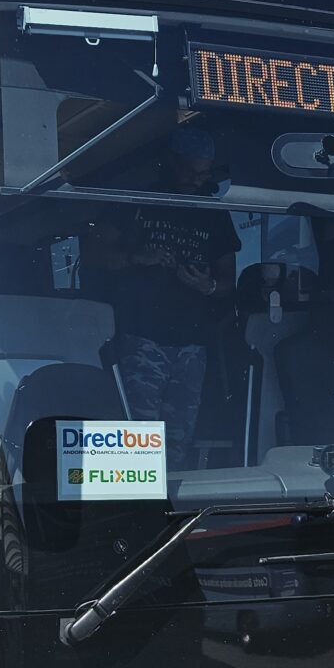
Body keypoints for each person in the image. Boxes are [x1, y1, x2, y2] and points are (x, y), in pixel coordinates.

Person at [111, 126, 239, 470]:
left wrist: (206, 286)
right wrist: (140, 258)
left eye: (204, 174)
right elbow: (97, 257)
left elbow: (228, 281)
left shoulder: (214, 213)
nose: (197, 180)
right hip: (143, 340)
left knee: (178, 442)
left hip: (192, 346)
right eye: (190, 171)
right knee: (138, 441)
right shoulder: (141, 202)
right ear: (171, 162)